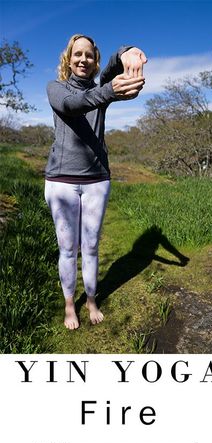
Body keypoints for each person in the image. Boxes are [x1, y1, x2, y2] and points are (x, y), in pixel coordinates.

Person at [45, 34, 147, 330]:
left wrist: (129, 52)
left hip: (97, 180)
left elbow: (115, 68)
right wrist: (110, 91)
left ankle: (90, 300)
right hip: (61, 181)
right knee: (67, 248)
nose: (83, 59)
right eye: (78, 54)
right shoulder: (56, 88)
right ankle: (68, 306)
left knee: (90, 247)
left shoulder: (101, 86)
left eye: (89, 55)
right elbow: (72, 106)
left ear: (94, 61)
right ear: (69, 58)